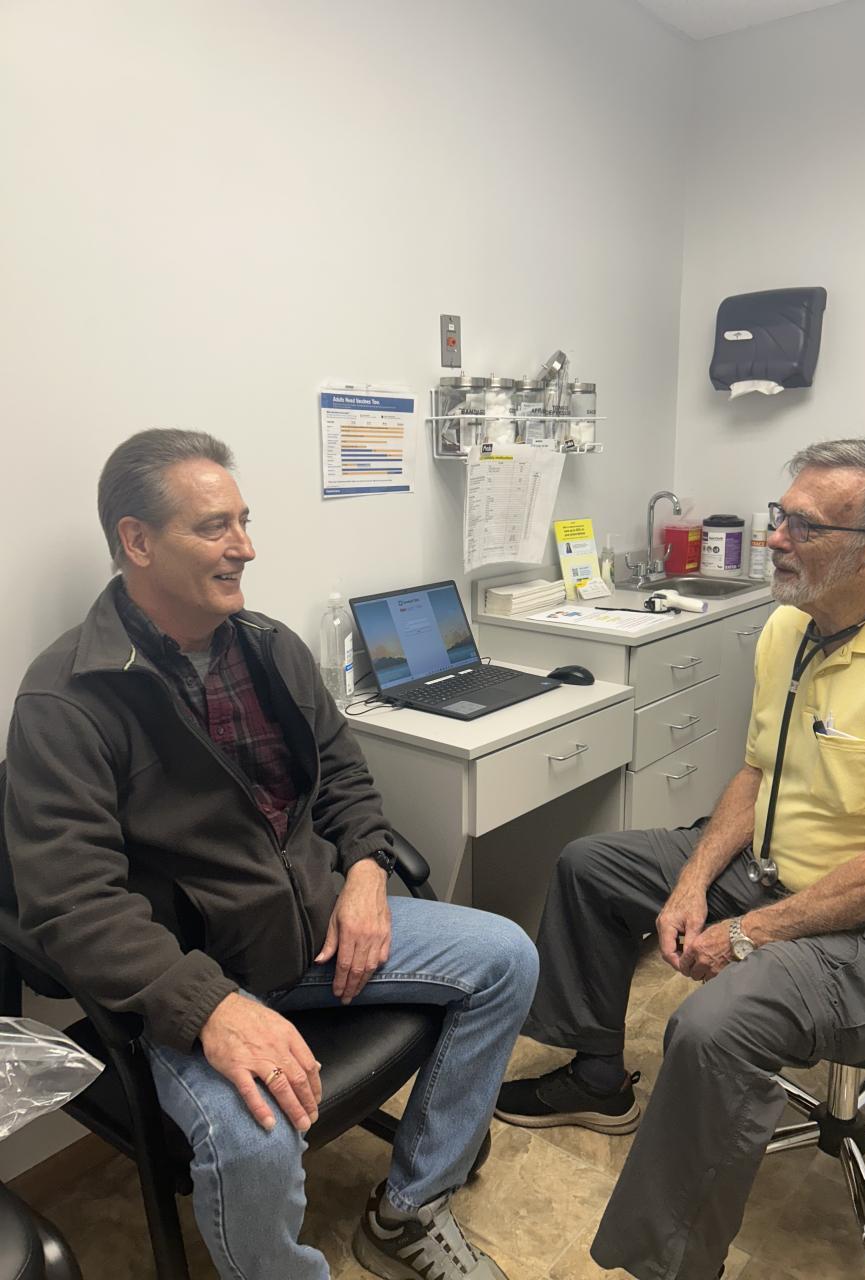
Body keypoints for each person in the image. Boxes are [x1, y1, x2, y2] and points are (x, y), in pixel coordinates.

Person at [4, 429, 539, 1280]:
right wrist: (211, 1008)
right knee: (254, 1141)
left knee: (507, 956)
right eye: (214, 527)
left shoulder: (270, 647)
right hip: (193, 975)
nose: (245, 547)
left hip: (314, 930)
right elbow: (73, 902)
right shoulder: (65, 699)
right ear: (137, 540)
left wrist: (365, 874)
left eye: (244, 522)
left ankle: (409, 1209)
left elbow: (346, 779)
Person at [496, 438, 865, 1280]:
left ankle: (674, 1266)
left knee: (713, 1027)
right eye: (782, 515)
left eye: (805, 526)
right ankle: (595, 1077)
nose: (774, 537)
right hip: (780, 870)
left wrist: (748, 933)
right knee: (591, 865)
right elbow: (757, 771)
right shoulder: (791, 626)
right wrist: (691, 881)